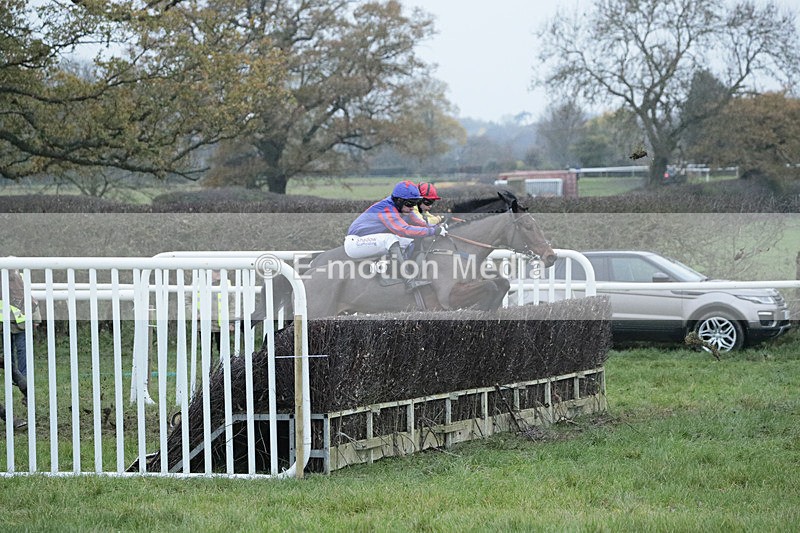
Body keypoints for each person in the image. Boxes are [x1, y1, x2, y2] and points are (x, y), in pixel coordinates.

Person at [345, 180, 446, 260]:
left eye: (415, 203)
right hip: (356, 243)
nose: (412, 207)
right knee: (390, 239)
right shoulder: (387, 209)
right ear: (399, 200)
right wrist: (432, 231)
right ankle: (406, 277)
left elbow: (419, 222)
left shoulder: (402, 206)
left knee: (409, 242)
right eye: (410, 203)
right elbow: (404, 230)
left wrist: (437, 228)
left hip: (371, 240)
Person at [0, 268, 39, 401]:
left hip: (20, 322)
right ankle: (18, 380)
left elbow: (29, 297)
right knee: (10, 354)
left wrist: (36, 318)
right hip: (6, 324)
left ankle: (23, 381)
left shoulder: (20, 277)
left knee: (22, 352)